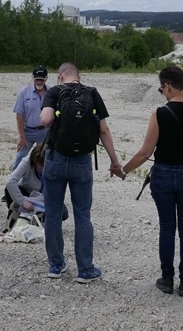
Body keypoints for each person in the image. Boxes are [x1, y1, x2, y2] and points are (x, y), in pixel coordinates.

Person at [118, 66, 183, 297]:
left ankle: (167, 278)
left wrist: (124, 170)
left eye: (161, 89)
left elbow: (145, 152)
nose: (162, 93)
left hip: (163, 175)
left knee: (167, 227)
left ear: (168, 86)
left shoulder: (159, 114)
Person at [40, 62, 123, 283]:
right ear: (79, 76)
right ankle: (85, 269)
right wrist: (114, 161)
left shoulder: (54, 92)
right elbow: (104, 130)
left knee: (53, 214)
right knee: (83, 215)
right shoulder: (92, 93)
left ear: (60, 76)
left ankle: (56, 265)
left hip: (56, 159)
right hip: (82, 162)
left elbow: (45, 120)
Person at [11, 66, 49, 170]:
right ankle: (13, 178)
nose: (39, 82)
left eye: (42, 79)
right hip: (28, 132)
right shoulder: (24, 92)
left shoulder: (51, 92)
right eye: (37, 79)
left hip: (45, 132)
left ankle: (42, 179)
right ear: (33, 78)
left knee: (45, 158)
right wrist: (22, 137)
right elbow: (19, 116)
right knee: (20, 157)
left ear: (46, 78)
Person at [3, 143, 46, 229]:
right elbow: (10, 182)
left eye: (45, 165)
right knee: (9, 191)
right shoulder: (27, 162)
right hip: (26, 192)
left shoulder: (54, 165)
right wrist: (22, 201)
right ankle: (16, 218)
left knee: (63, 213)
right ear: (34, 162)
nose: (43, 168)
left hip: (43, 196)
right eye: (40, 165)